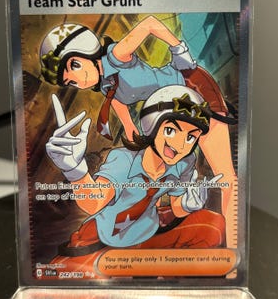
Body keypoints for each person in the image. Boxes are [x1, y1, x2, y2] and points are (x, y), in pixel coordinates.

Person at [39, 15, 237, 240]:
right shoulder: (106, 86)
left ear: (89, 51)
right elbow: (121, 108)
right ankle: (154, 222)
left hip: (191, 87)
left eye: (75, 66)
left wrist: (178, 50)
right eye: (71, 82)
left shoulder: (116, 57)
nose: (80, 80)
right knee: (153, 171)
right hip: (164, 113)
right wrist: (128, 131)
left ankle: (233, 244)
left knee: (226, 176)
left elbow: (150, 23)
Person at [46, 86, 226, 252]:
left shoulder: (185, 162)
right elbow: (95, 202)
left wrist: (187, 205)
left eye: (190, 138)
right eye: (170, 131)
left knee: (214, 226)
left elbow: (177, 207)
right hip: (108, 237)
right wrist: (75, 171)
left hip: (150, 230)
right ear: (151, 126)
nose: (180, 146)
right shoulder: (123, 160)